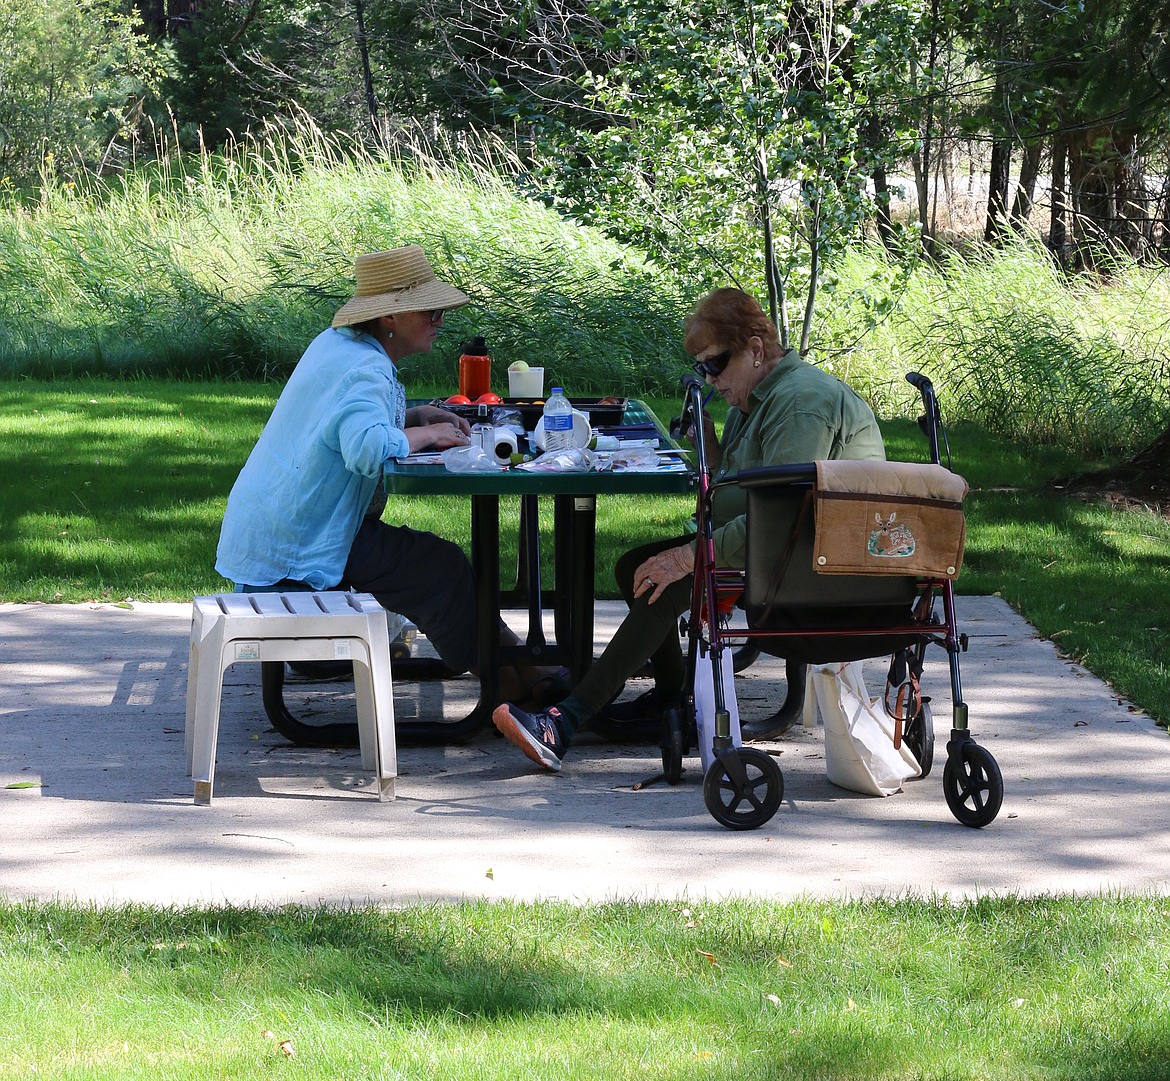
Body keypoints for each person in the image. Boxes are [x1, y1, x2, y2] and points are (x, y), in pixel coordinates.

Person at [492, 285, 886, 771]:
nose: (710, 377)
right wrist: (710, 439)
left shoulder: (799, 403)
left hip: (815, 563)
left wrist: (687, 556)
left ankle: (564, 722)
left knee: (669, 579)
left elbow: (780, 519)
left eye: (716, 364)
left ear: (756, 348)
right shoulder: (760, 396)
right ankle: (672, 700)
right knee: (639, 568)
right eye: (701, 367)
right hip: (781, 548)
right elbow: (743, 486)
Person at [216, 244, 562, 700]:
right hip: (304, 542)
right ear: (390, 319)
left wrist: (413, 420)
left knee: (435, 568)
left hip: (280, 529)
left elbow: (338, 425)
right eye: (430, 310)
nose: (440, 320)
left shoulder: (338, 345)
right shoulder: (367, 369)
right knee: (441, 569)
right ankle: (515, 688)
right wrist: (423, 437)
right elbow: (364, 449)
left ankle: (519, 672)